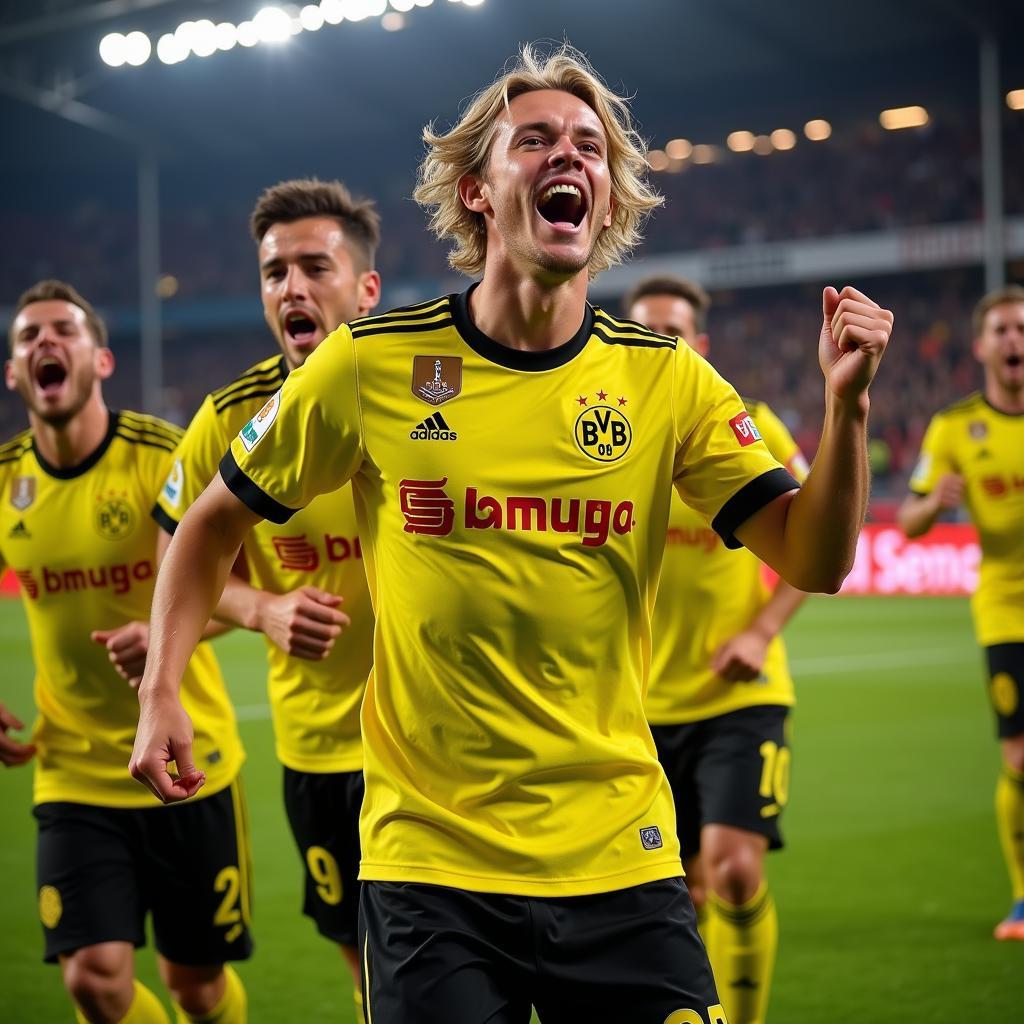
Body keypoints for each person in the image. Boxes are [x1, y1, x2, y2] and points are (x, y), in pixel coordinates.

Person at [131, 43, 892, 1023]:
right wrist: (163, 691)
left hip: (621, 853)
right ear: (476, 188)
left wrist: (849, 410)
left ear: (609, 199)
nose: (566, 157)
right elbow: (210, 519)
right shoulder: (370, 365)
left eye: (588, 146)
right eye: (532, 140)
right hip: (430, 865)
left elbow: (816, 558)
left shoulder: (665, 380)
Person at [148, 178, 379, 1021]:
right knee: (365, 963)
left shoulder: (426, 392)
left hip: (430, 740)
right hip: (317, 748)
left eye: (315, 266)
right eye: (275, 272)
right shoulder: (229, 418)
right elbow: (179, 570)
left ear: (365, 288)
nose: (292, 287)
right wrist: (261, 611)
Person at [0, 280, 249, 1024]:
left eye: (63, 331)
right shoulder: (7, 478)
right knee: (94, 978)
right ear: (13, 372)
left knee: (196, 987)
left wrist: (170, 641)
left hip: (188, 762)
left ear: (101, 360)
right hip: (73, 770)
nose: (45, 343)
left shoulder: (160, 457)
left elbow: (233, 589)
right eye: (28, 337)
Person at [626, 276, 808, 1024]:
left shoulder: (749, 423)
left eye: (674, 332)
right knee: (684, 891)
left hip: (739, 696)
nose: (661, 344)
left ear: (700, 346)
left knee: (734, 874)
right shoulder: (602, 435)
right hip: (636, 708)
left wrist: (761, 630)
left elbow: (813, 542)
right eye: (646, 331)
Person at [898, 284, 1024, 941]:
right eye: (1001, 330)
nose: (1014, 340)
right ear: (980, 346)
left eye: (1021, 329)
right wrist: (934, 501)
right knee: (1020, 760)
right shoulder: (953, 428)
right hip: (1006, 608)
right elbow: (913, 520)